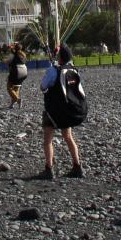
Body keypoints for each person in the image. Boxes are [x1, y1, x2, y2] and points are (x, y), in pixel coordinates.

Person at [39, 43, 83, 179]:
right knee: (68, 137)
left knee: (48, 139)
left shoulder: (54, 71)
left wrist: (51, 69)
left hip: (53, 111)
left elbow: (43, 86)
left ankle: (49, 169)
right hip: (68, 110)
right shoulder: (73, 70)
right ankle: (77, 167)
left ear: (60, 57)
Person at [6, 42, 27, 108]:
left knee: (9, 87)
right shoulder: (23, 55)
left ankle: (18, 100)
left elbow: (8, 61)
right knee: (16, 87)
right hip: (24, 72)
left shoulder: (13, 55)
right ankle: (12, 104)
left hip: (16, 71)